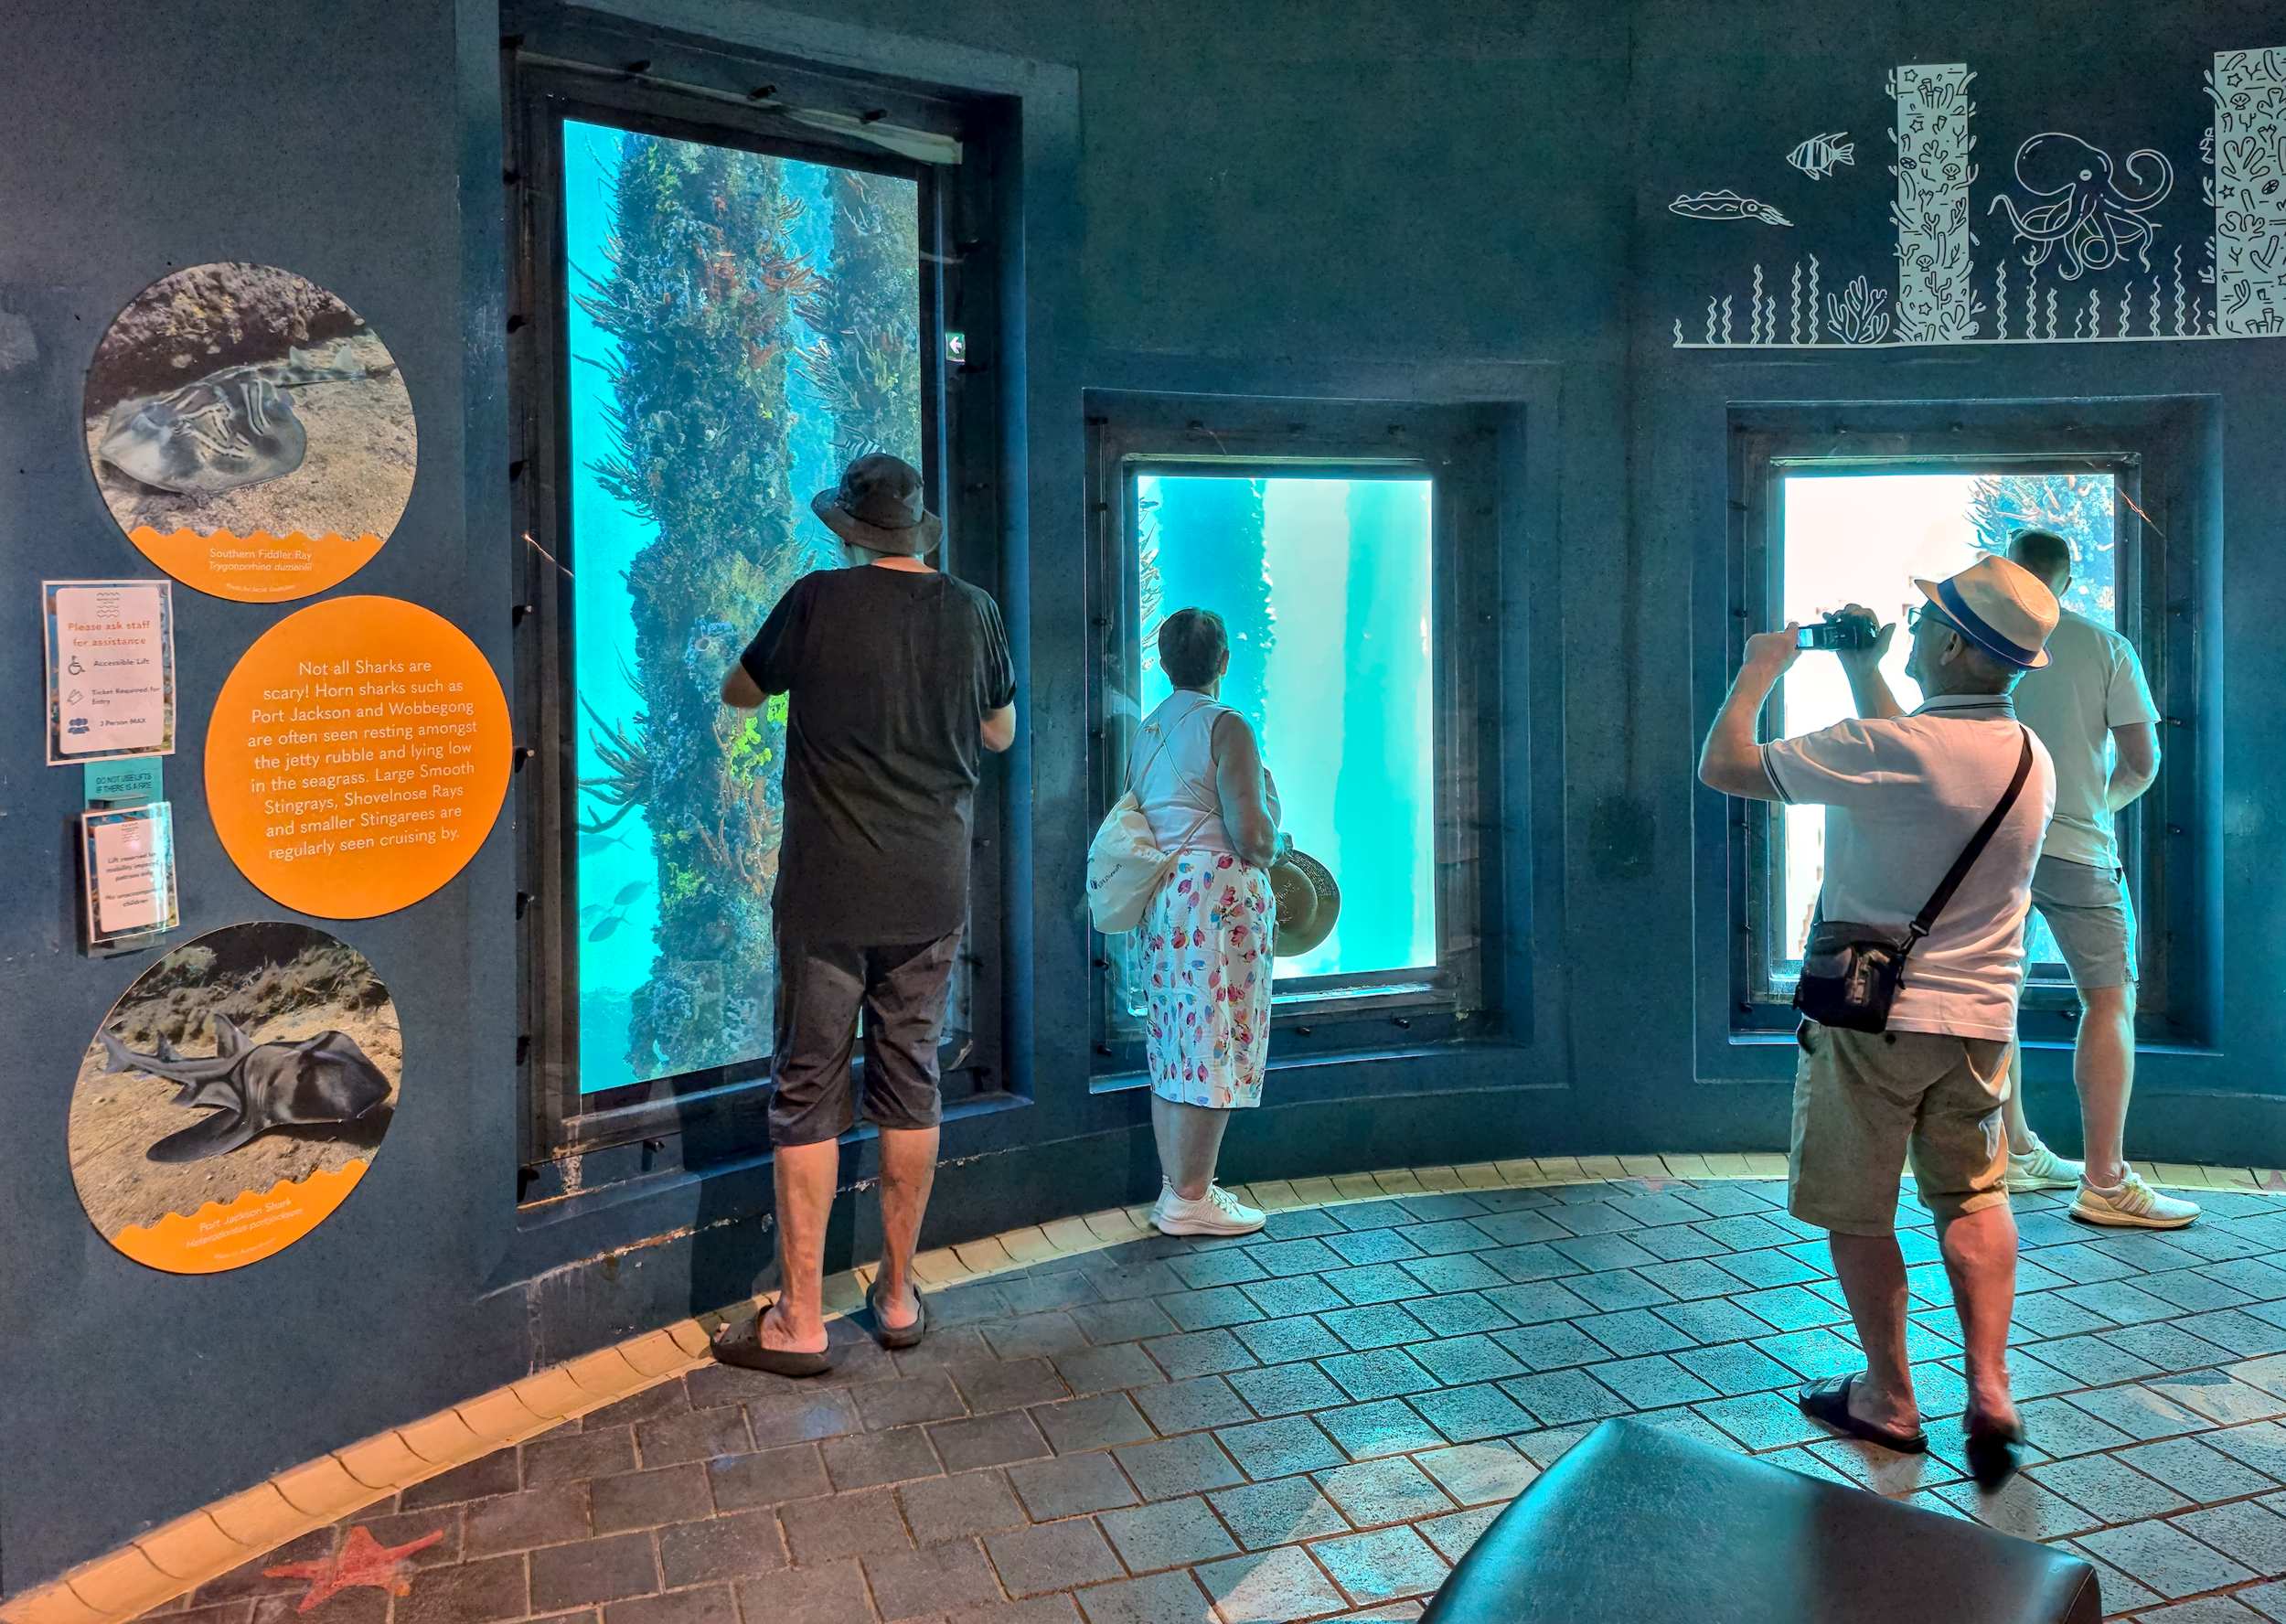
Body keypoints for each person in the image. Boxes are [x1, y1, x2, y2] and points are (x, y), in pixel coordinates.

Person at [1699, 555, 2059, 1484]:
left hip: (1872, 1019)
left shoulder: (1886, 749)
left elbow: (1724, 766)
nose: (1915, 629)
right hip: (1981, 1021)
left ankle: (1889, 1399)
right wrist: (1864, 668)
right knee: (1973, 1196)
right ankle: (1990, 1386)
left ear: (1952, 646)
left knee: (1857, 1207)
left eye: (1926, 620)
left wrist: (1759, 670)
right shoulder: (2029, 757)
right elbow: (1920, 761)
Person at [714, 453, 1016, 1376]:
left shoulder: (815, 600)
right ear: (916, 529)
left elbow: (740, 690)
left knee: (808, 1084)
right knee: (911, 1075)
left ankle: (799, 1319)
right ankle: (895, 1296)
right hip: (930, 887)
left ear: (848, 531)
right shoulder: (974, 610)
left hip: (828, 890)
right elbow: (1000, 730)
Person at [1993, 529, 2194, 1228]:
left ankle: (2014, 1151)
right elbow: (2142, 761)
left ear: (2008, 572)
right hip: (2077, 848)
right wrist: (2091, 806)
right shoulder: (2105, 647)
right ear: (2069, 581)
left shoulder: (1978, 643)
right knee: (2109, 1001)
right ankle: (2104, 1181)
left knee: (1996, 998)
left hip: (1990, 851)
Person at [1132, 608, 1286, 1237]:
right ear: (1223, 661)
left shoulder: (1147, 731)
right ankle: (1193, 1197)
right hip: (1218, 901)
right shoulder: (1227, 726)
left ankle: (1178, 1190)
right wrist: (1276, 831)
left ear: (1164, 662)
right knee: (1217, 1035)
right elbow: (1252, 835)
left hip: (1166, 896)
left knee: (1176, 1040)